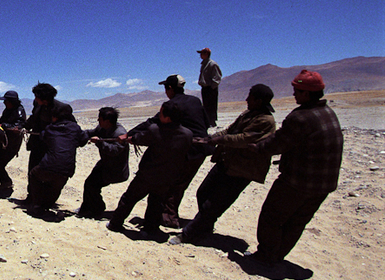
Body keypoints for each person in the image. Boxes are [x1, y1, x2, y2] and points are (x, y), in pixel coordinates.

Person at [245, 70, 343, 266]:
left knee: (271, 218)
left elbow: (278, 143)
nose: (294, 94)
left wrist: (255, 148)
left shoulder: (301, 117)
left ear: (306, 94)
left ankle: (266, 256)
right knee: (297, 221)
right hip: (324, 183)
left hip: (298, 182)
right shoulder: (328, 113)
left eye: (297, 90)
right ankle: (276, 256)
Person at [169, 84, 277, 245]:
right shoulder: (248, 114)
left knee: (213, 205)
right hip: (226, 162)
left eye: (251, 97)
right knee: (203, 193)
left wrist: (217, 140)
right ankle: (204, 226)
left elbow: (243, 139)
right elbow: (229, 131)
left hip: (242, 169)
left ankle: (188, 234)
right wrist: (208, 139)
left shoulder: (265, 121)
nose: (247, 99)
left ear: (259, 100)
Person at [127, 74, 211, 228]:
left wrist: (129, 134)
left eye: (166, 88)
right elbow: (206, 122)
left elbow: (152, 122)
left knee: (171, 184)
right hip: (202, 149)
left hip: (187, 150)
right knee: (180, 184)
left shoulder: (172, 105)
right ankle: (168, 217)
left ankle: (168, 219)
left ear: (170, 88)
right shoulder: (195, 100)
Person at [107, 101, 192, 235]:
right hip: (168, 177)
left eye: (161, 113)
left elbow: (139, 138)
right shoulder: (187, 134)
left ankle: (115, 223)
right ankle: (150, 229)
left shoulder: (155, 129)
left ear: (168, 117)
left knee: (129, 198)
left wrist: (128, 138)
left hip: (147, 174)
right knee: (157, 203)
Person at [26, 103, 88, 215]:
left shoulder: (50, 129)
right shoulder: (75, 128)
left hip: (48, 165)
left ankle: (37, 204)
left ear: (55, 117)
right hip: (67, 169)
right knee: (56, 187)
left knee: (34, 175)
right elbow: (83, 140)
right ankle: (46, 206)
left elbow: (43, 137)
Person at [76, 107, 130, 219]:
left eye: (100, 119)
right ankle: (87, 208)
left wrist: (100, 143)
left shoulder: (120, 133)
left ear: (107, 121)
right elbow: (91, 132)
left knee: (92, 185)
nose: (97, 121)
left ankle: (96, 209)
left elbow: (114, 151)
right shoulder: (102, 127)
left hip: (115, 169)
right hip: (105, 165)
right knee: (89, 183)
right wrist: (77, 133)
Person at [24, 83, 68, 192]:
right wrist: (22, 126)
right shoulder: (38, 104)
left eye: (36, 96)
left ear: (44, 98)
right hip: (37, 143)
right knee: (32, 170)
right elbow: (33, 119)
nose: (34, 99)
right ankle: (31, 197)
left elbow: (70, 127)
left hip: (52, 147)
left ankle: (44, 199)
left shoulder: (62, 108)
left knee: (48, 172)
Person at [198, 48, 222, 128]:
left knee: (211, 105)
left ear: (206, 54)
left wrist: (212, 87)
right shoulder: (204, 64)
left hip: (210, 88)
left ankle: (212, 122)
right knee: (206, 105)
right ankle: (208, 122)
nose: (200, 55)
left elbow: (217, 76)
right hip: (205, 88)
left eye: (202, 53)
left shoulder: (212, 64)